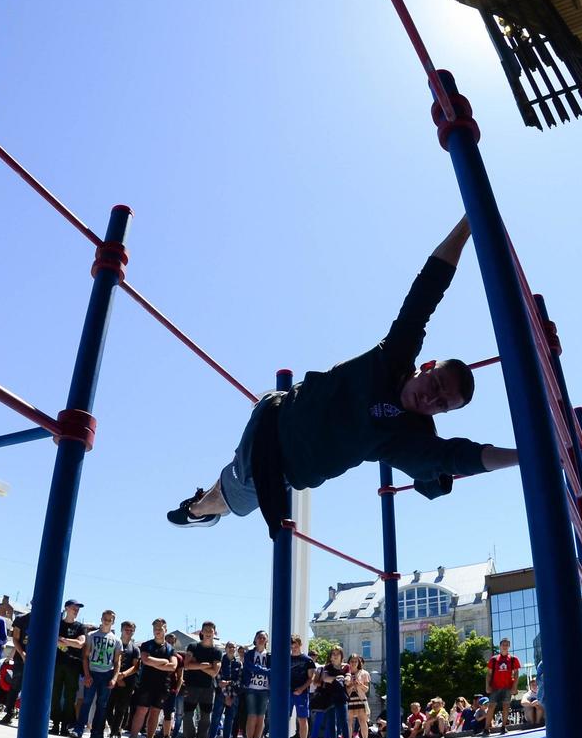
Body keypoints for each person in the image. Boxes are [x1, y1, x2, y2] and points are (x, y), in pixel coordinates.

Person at [168, 220, 519, 530]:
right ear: (427, 366)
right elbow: (426, 293)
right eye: (436, 384)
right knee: (228, 474)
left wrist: (525, 456)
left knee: (226, 492)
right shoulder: (396, 354)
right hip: (274, 407)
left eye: (441, 404)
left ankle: (199, 510)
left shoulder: (408, 437)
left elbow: (458, 456)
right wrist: (468, 223)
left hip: (269, 463)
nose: (430, 398)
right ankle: (205, 504)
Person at [124, 618, 178, 738]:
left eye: (160, 629)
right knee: (141, 710)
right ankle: (133, 737)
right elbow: (146, 660)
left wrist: (157, 663)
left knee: (155, 711)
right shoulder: (147, 645)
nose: (157, 631)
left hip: (162, 685)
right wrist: (164, 662)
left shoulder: (171, 649)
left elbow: (173, 666)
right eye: (155, 629)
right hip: (146, 683)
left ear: (165, 629)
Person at [75, 608, 122, 738]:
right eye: (105, 619)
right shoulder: (91, 635)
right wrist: (87, 674)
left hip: (107, 674)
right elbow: (85, 656)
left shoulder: (116, 641)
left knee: (102, 705)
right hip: (93, 672)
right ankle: (79, 729)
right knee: (86, 702)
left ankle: (97, 732)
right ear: (101, 619)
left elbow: (117, 661)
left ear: (113, 622)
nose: (107, 622)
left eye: (110, 620)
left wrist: (114, 678)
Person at [178, 621, 222, 738]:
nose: (208, 632)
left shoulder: (217, 651)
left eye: (211, 630)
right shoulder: (193, 647)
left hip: (208, 688)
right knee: (188, 714)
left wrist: (197, 665)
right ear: (201, 632)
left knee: (205, 716)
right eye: (206, 630)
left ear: (214, 632)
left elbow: (214, 672)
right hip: (192, 686)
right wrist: (204, 665)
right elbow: (186, 665)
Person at [50, 599, 87, 736]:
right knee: (55, 694)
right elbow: (51, 638)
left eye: (78, 608)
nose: (76, 610)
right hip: (57, 664)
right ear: (66, 608)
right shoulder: (57, 623)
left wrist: (62, 640)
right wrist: (70, 642)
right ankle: (55, 724)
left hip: (73, 665)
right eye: (73, 607)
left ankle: (66, 725)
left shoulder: (80, 627)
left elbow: (80, 643)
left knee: (70, 697)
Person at [234, 630, 269, 738]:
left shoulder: (269, 655)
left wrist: (261, 671)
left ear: (266, 640)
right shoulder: (249, 654)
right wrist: (265, 671)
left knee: (261, 716)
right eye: (259, 637)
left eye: (263, 637)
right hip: (251, 688)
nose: (261, 639)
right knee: (252, 715)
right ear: (255, 639)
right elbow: (250, 667)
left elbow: (273, 669)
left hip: (265, 689)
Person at [106, 620, 141, 738]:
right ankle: (112, 726)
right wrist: (115, 676)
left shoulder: (135, 648)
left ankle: (114, 733)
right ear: (121, 629)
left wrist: (122, 675)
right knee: (108, 707)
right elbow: (109, 660)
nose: (129, 632)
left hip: (127, 681)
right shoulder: (114, 643)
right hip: (111, 678)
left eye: (131, 630)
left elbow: (136, 666)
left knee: (121, 709)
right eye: (127, 629)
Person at [208, 639, 239, 738]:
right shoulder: (220, 661)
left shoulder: (238, 663)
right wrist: (226, 695)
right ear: (225, 649)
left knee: (230, 719)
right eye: (229, 647)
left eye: (233, 647)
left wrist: (230, 684)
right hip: (221, 694)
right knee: (216, 717)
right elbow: (218, 679)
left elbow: (239, 680)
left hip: (233, 695)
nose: (231, 649)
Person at [485, 637, 520, 734]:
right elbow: (489, 674)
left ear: (509, 646)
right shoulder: (494, 659)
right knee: (491, 706)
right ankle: (486, 729)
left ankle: (503, 727)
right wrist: (487, 686)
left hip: (507, 687)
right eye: (503, 644)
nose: (504, 646)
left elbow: (516, 674)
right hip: (495, 686)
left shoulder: (513, 659)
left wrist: (515, 687)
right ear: (500, 646)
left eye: (506, 645)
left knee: (506, 706)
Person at [289, 635, 314, 738]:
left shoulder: (307, 660)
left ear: (300, 645)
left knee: (302, 719)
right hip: (287, 693)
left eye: (296, 645)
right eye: (292, 646)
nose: (293, 648)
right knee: (284, 718)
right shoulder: (286, 658)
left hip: (302, 693)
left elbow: (311, 678)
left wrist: (301, 689)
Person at [346, 652, 371, 738]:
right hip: (349, 699)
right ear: (349, 662)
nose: (353, 663)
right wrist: (351, 685)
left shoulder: (364, 673)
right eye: (352, 661)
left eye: (356, 661)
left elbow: (366, 689)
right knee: (349, 721)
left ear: (358, 662)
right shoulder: (346, 673)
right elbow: (344, 688)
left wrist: (359, 684)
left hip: (360, 698)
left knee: (362, 720)